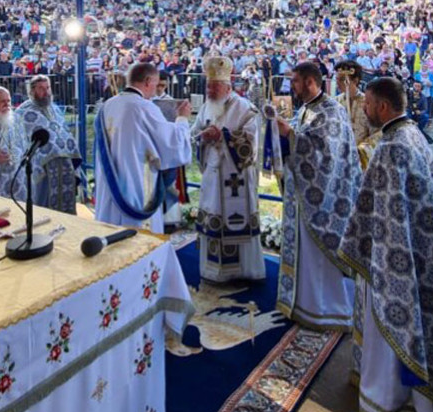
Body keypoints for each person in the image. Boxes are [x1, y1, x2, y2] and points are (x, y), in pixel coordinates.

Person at [338, 77, 433, 412]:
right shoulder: (413, 133)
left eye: (366, 104)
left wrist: (361, 250)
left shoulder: (390, 148)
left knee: (399, 323)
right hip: (422, 249)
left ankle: (394, 401)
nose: (363, 110)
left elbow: (380, 215)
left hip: (394, 257)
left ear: (383, 107)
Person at [272, 61, 362, 330]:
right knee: (304, 251)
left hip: (326, 199)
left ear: (310, 82)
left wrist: (289, 134)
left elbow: (324, 153)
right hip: (304, 194)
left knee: (318, 256)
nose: (292, 86)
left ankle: (325, 310)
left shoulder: (330, 111)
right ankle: (303, 302)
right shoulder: (307, 109)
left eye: (296, 81)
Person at [93, 61, 192, 233]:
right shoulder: (144, 107)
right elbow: (172, 143)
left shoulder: (107, 105)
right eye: (155, 83)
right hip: (136, 183)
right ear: (147, 81)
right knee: (139, 242)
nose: (155, 89)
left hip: (110, 184)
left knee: (111, 232)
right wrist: (182, 119)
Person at [193, 56, 264, 282]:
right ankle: (214, 272)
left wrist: (222, 136)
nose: (210, 91)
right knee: (214, 216)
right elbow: (194, 133)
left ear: (228, 87)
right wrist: (202, 138)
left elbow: (253, 143)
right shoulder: (206, 107)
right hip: (213, 176)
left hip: (236, 178)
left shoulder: (245, 108)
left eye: (215, 86)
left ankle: (244, 272)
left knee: (235, 220)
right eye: (208, 86)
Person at [14, 74, 80, 213]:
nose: (45, 92)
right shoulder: (23, 111)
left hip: (64, 161)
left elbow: (62, 130)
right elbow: (23, 138)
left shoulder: (54, 108)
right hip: (42, 164)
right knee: (43, 200)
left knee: (65, 201)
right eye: (41, 88)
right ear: (32, 91)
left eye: (47, 88)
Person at [335, 59, 380, 168]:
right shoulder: (335, 103)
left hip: (362, 162)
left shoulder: (369, 103)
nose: (337, 83)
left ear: (355, 80)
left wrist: (360, 152)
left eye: (342, 79)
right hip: (339, 159)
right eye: (336, 79)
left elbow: (378, 133)